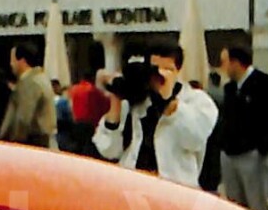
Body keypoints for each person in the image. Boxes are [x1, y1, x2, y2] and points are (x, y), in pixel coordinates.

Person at [93, 52, 217, 180]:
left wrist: (168, 101)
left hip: (174, 185)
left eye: (167, 69)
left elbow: (193, 140)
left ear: (178, 69)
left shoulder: (196, 101)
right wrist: (116, 98)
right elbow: (108, 151)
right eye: (155, 70)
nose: (160, 75)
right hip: (134, 182)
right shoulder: (136, 101)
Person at [208, 42, 268, 210]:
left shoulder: (264, 84)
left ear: (236, 63)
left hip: (252, 154)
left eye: (225, 62)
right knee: (235, 208)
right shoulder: (230, 88)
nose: (222, 68)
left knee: (257, 205)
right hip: (230, 154)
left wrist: (263, 148)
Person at [0, 41, 57, 148]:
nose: (11, 64)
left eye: (12, 60)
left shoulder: (29, 83)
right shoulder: (42, 78)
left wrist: (14, 143)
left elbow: (23, 119)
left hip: (34, 143)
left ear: (22, 61)